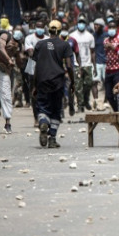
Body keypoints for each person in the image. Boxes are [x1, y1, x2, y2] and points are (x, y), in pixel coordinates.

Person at [32, 20, 75, 148]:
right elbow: (69, 66)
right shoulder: (65, 45)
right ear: (60, 31)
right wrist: (72, 82)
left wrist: (34, 85)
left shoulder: (40, 44)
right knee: (56, 110)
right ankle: (52, 139)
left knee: (43, 107)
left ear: (48, 30)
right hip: (58, 81)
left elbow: (34, 67)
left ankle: (43, 122)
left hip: (42, 81)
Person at [69, 16, 96, 112]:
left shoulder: (90, 36)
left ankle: (86, 100)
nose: (81, 24)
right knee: (78, 85)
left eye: (83, 22)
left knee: (88, 84)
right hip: (76, 64)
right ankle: (80, 105)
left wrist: (94, 66)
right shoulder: (72, 36)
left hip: (87, 63)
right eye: (79, 22)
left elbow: (92, 52)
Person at [92, 18, 107, 110]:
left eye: (97, 25)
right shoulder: (92, 36)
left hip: (106, 62)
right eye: (94, 24)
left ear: (102, 26)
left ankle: (105, 101)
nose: (95, 26)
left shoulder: (107, 35)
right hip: (96, 62)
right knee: (94, 82)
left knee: (106, 83)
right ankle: (96, 101)